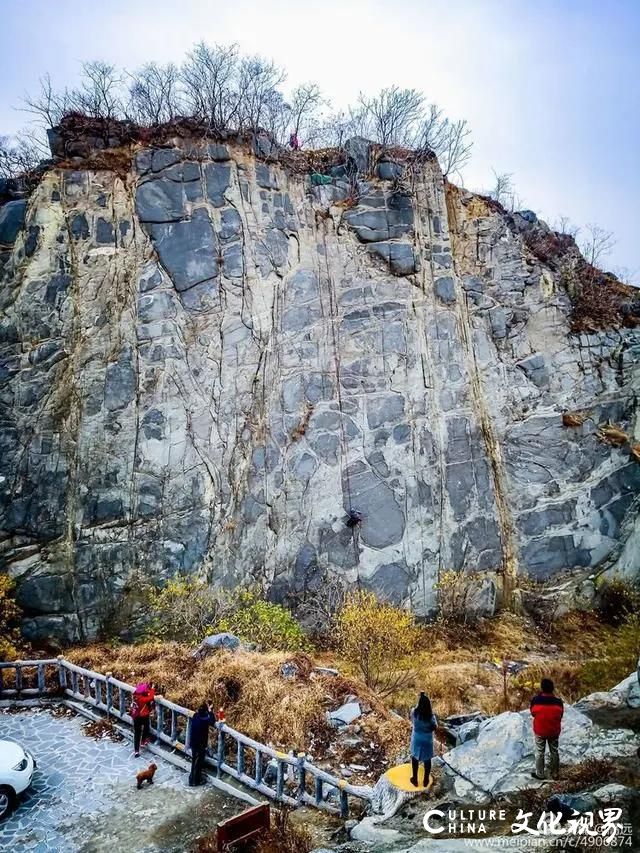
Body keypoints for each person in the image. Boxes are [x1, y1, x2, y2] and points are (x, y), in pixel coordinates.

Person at [530, 677, 564, 780]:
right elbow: (560, 714)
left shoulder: (536, 700)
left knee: (540, 752)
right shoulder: (558, 702)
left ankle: (540, 774)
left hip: (540, 731)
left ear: (542, 688)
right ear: (552, 688)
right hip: (554, 731)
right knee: (554, 751)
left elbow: (533, 713)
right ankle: (555, 774)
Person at [410, 692, 437, 787]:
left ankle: (415, 779)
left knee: (414, 757)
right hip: (427, 740)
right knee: (427, 759)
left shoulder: (414, 712)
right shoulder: (431, 717)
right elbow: (434, 727)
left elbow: (412, 719)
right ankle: (425, 780)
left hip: (417, 738)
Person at [189, 702, 216, 786]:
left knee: (194, 761)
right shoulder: (204, 719)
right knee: (198, 763)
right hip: (200, 743)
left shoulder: (195, 716)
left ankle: (192, 778)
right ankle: (194, 781)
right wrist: (210, 711)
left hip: (193, 741)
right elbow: (212, 721)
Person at [131, 680, 156, 757]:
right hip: (143, 716)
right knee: (146, 728)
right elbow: (151, 697)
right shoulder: (142, 699)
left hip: (135, 717)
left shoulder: (135, 696)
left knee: (137, 733)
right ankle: (143, 741)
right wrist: (152, 689)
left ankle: (136, 750)